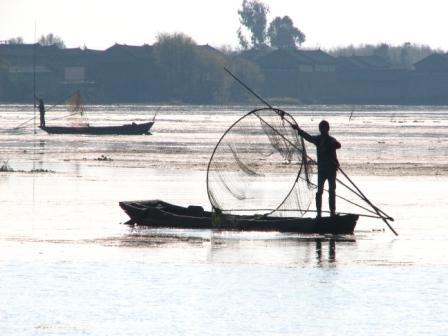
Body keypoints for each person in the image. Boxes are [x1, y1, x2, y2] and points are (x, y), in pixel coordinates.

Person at [293, 120, 341, 217]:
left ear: (328, 129)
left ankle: (332, 212)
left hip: (331, 170)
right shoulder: (318, 140)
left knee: (332, 190)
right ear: (320, 129)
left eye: (325, 129)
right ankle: (319, 213)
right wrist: (298, 130)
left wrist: (329, 147)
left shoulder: (331, 140)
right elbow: (308, 137)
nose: (323, 130)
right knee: (320, 191)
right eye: (321, 129)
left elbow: (338, 145)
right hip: (322, 170)